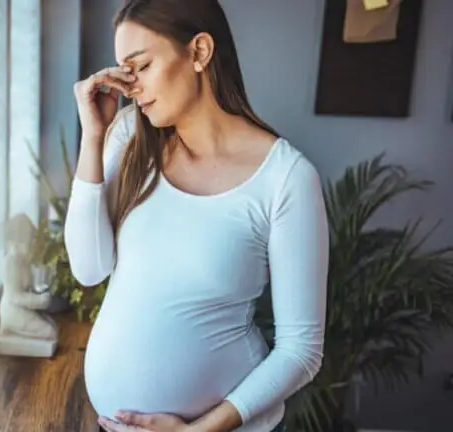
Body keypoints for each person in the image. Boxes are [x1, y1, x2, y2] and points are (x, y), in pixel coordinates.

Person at [64, 0, 329, 431]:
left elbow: (301, 351)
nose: (131, 87)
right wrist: (93, 138)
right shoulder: (129, 138)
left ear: (199, 52)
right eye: (124, 71)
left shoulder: (286, 179)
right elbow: (89, 268)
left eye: (142, 66)